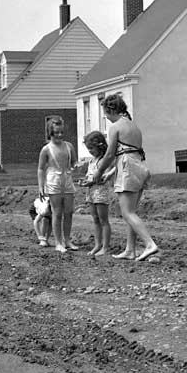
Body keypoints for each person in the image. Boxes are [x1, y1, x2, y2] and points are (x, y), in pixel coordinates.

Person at [91, 94, 159, 261]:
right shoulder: (133, 126)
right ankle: (130, 250)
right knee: (132, 211)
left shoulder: (116, 127)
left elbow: (109, 155)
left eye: (105, 112)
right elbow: (128, 153)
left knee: (126, 212)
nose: (105, 116)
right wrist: (109, 173)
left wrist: (98, 173)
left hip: (128, 168)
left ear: (111, 109)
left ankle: (150, 244)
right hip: (140, 166)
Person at [37, 116, 78, 253]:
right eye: (56, 133)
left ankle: (67, 240)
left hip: (67, 180)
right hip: (53, 181)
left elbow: (74, 162)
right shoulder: (46, 149)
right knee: (57, 213)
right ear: (50, 133)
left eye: (62, 132)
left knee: (69, 212)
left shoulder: (69, 146)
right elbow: (41, 168)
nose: (60, 135)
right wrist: (40, 186)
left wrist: (74, 167)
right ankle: (58, 242)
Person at [79, 130, 116, 256]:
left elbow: (112, 170)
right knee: (95, 219)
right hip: (91, 193)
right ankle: (97, 244)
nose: (90, 151)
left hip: (101, 192)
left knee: (103, 220)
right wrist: (84, 182)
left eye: (92, 148)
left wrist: (105, 176)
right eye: (88, 148)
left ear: (99, 146)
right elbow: (89, 176)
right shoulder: (91, 161)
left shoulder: (105, 160)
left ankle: (105, 247)